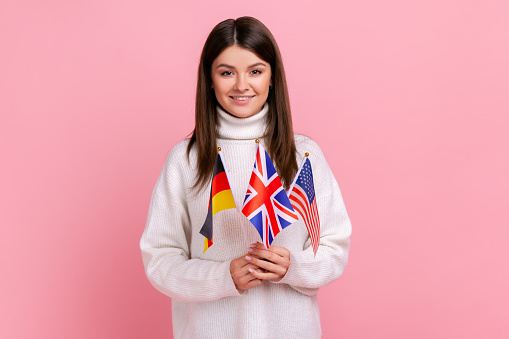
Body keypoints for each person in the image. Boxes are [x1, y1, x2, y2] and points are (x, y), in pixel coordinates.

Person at [140, 16, 352, 339]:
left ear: (272, 77)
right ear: (209, 79)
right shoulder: (185, 160)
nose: (241, 85)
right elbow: (160, 260)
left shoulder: (304, 157)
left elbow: (334, 246)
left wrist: (292, 268)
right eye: (227, 72)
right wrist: (223, 276)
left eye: (255, 71)